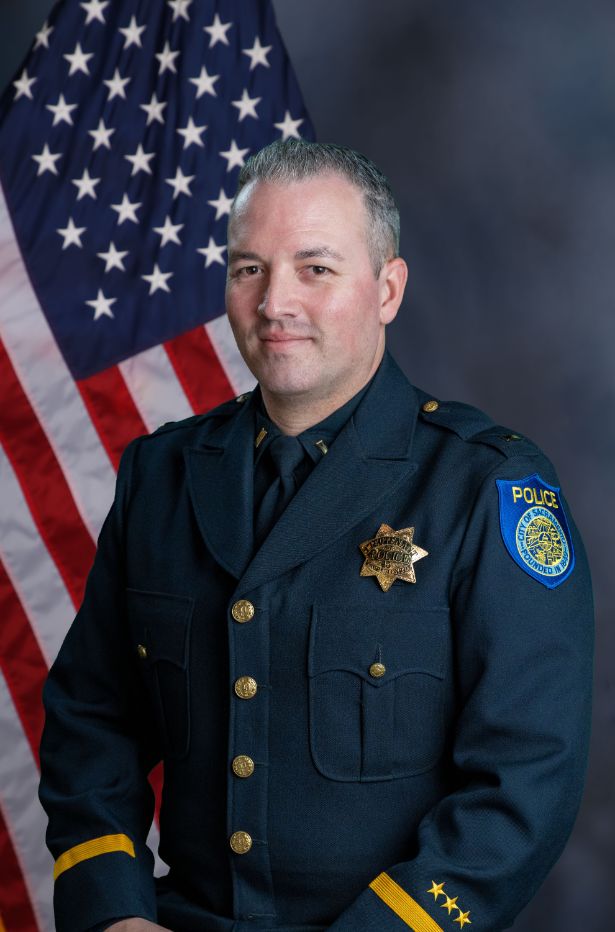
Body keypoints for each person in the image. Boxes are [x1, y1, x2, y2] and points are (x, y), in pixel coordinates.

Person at [39, 139, 593, 932]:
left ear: (387, 290)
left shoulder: (483, 487)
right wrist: (112, 913)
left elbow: (525, 778)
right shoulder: (161, 477)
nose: (274, 304)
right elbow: (92, 716)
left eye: (316, 268)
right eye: (248, 269)